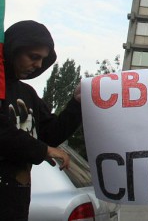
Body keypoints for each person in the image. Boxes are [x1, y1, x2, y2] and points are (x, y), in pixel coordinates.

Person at [0, 20, 83, 221]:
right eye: (33, 57)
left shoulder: (28, 94)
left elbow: (49, 135)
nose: (38, 65)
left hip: (16, 208)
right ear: (13, 50)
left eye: (43, 59)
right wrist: (43, 150)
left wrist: (76, 103)